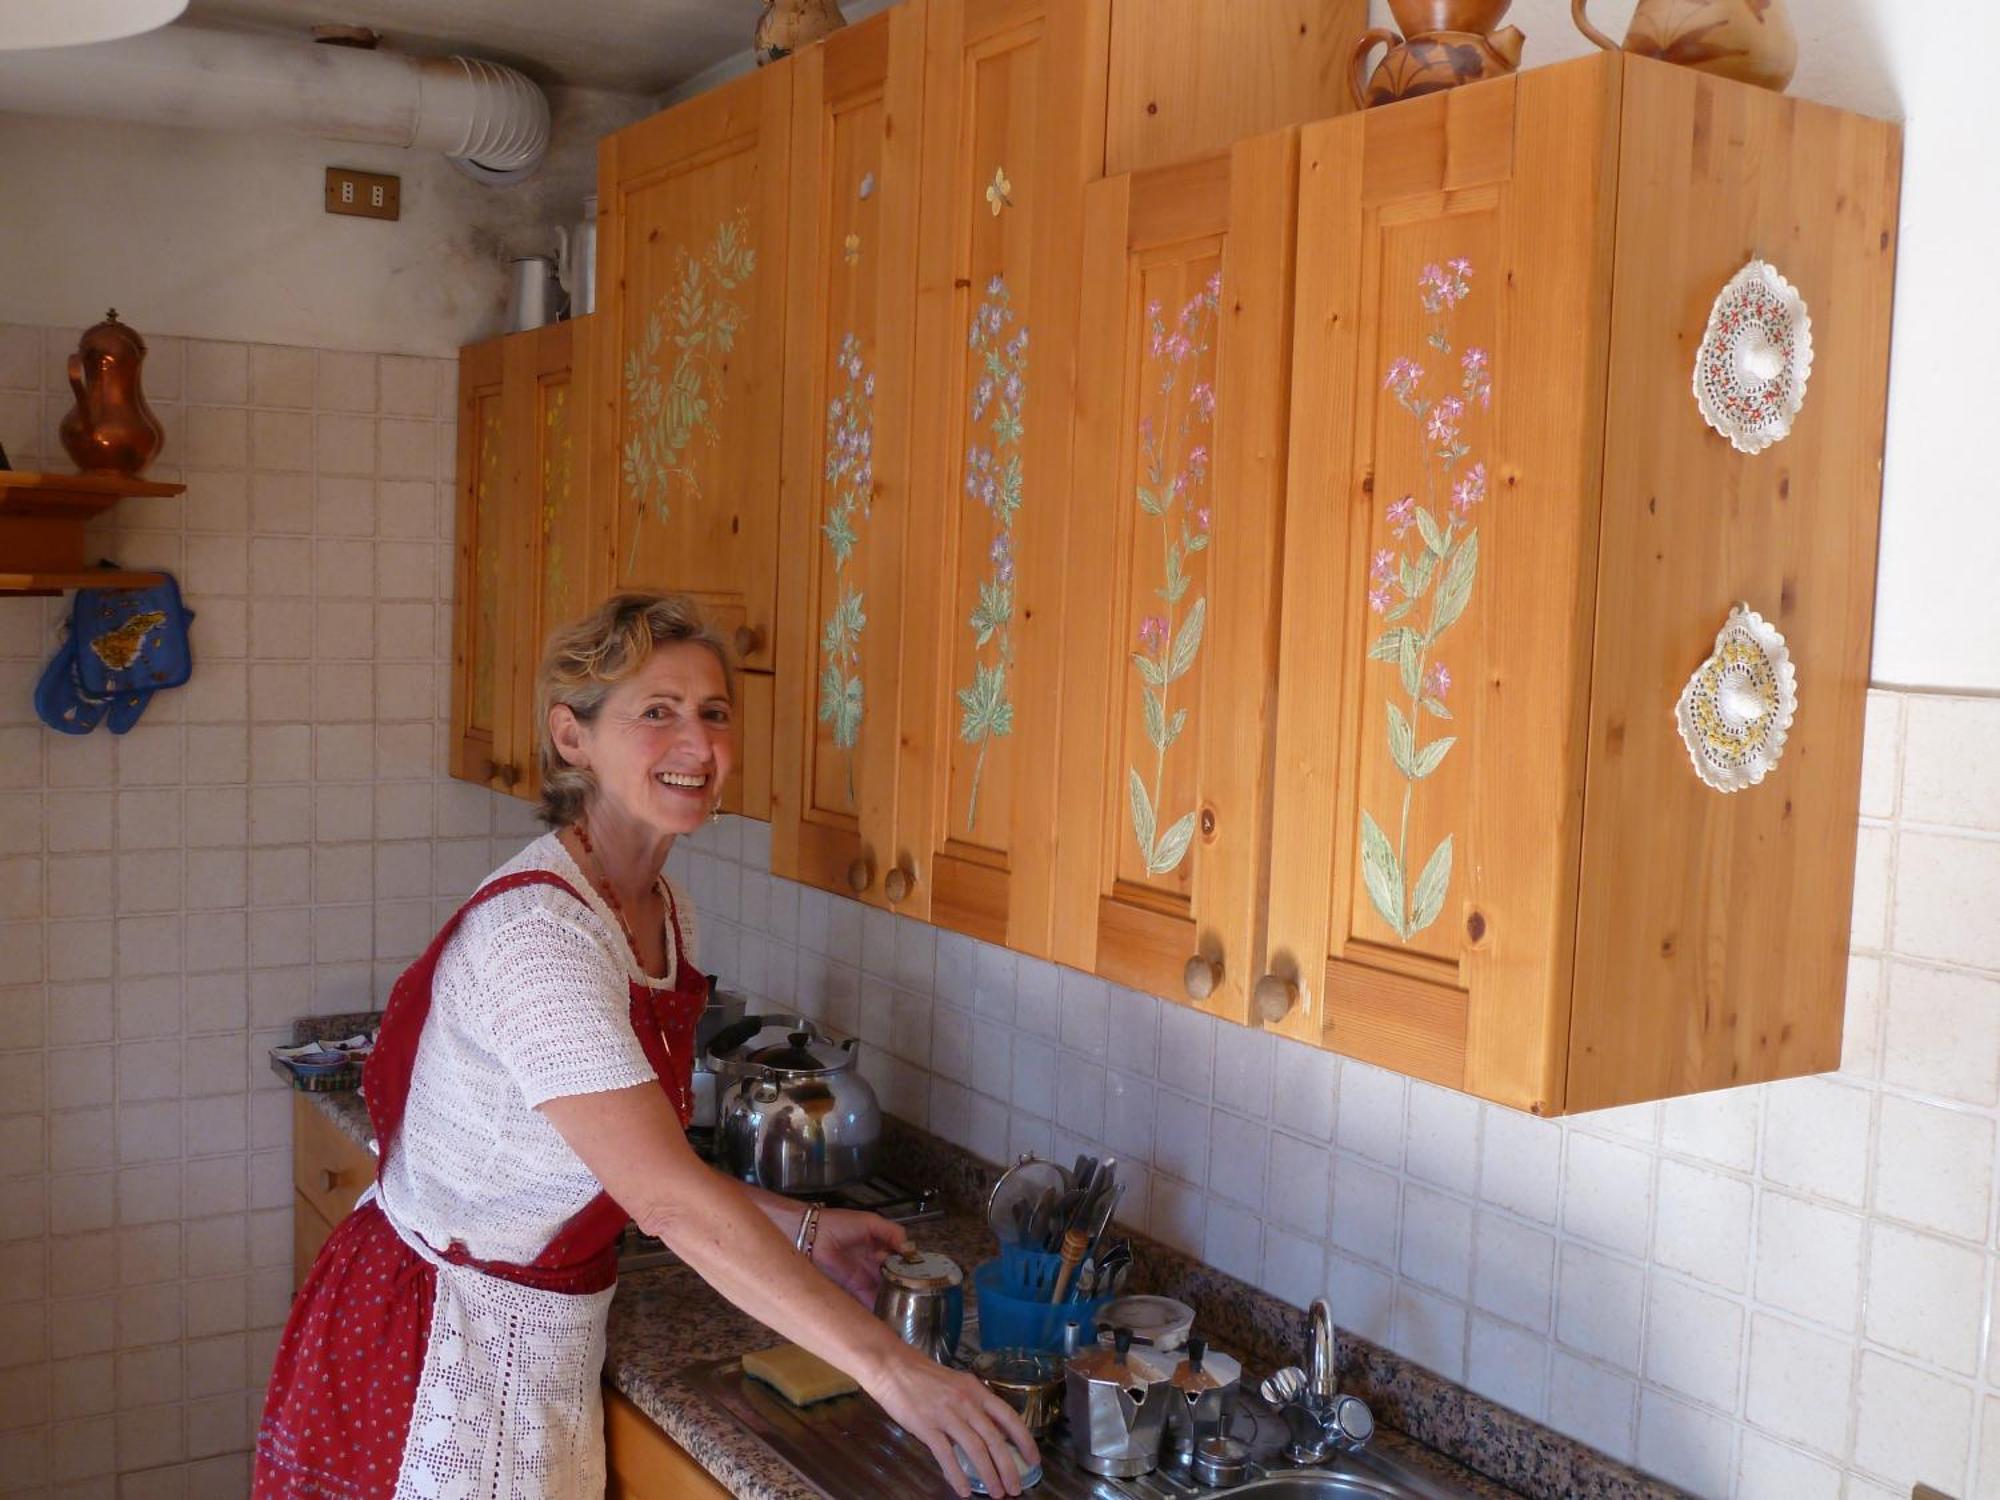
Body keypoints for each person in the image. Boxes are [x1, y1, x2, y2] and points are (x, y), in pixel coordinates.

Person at [254, 592, 1037, 1499]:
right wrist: (894, 1371)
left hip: (534, 1340)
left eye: (714, 714)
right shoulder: (543, 939)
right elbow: (666, 1201)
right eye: (656, 713)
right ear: (572, 737)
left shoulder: (663, 912)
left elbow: (625, 1162)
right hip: (440, 1350)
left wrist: (806, 1229)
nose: (698, 746)